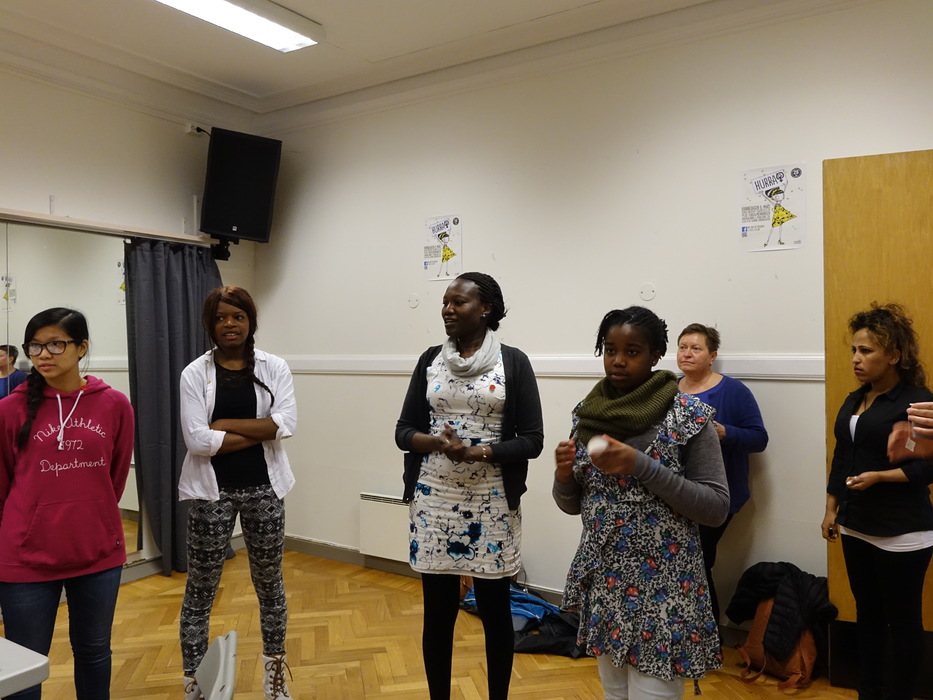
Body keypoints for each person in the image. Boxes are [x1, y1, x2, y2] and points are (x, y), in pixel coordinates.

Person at [553, 306, 728, 700]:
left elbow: (716, 507)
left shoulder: (686, 416)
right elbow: (573, 505)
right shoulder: (588, 416)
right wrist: (563, 476)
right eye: (610, 349)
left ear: (655, 356)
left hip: (664, 589)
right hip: (606, 582)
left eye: (632, 352)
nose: (618, 360)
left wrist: (641, 466)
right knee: (614, 694)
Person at [395, 272, 544, 700]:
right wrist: (436, 443)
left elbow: (532, 440)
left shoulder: (513, 362)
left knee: (496, 613)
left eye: (458, 302)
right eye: (445, 301)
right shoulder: (430, 360)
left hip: (491, 502)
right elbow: (404, 431)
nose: (447, 309)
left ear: (486, 309)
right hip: (434, 500)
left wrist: (476, 452)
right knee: (438, 615)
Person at [0, 308, 134, 700]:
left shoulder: (115, 404)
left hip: (97, 555)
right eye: (35, 346)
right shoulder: (9, 410)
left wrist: (93, 514)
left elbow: (114, 477)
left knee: (95, 652)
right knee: (24, 666)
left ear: (82, 348)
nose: (44, 354)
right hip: (25, 559)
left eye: (56, 344)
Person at [178, 286, 297, 700]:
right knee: (200, 590)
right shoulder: (195, 373)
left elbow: (285, 425)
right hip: (211, 493)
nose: (229, 324)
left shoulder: (274, 367)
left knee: (270, 585)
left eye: (238, 316)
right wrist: (260, 429)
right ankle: (194, 684)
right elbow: (197, 441)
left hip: (266, 489)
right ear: (209, 324)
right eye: (220, 317)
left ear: (251, 321)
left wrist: (225, 425)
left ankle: (274, 680)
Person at [822, 302, 933, 700]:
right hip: (856, 525)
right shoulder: (855, 400)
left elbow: (925, 469)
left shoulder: (917, 402)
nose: (856, 358)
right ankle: (868, 692)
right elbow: (842, 456)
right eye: (854, 350)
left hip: (902, 532)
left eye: (866, 351)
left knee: (903, 622)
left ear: (894, 356)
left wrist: (879, 477)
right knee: (867, 616)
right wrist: (831, 508)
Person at [675, 323, 768, 624]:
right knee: (679, 564)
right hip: (675, 494)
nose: (687, 353)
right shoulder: (668, 389)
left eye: (695, 348)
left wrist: (724, 432)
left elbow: (759, 439)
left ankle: (709, 635)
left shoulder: (734, 391)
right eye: (682, 347)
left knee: (697, 562)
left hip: (716, 494)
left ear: (712, 355)